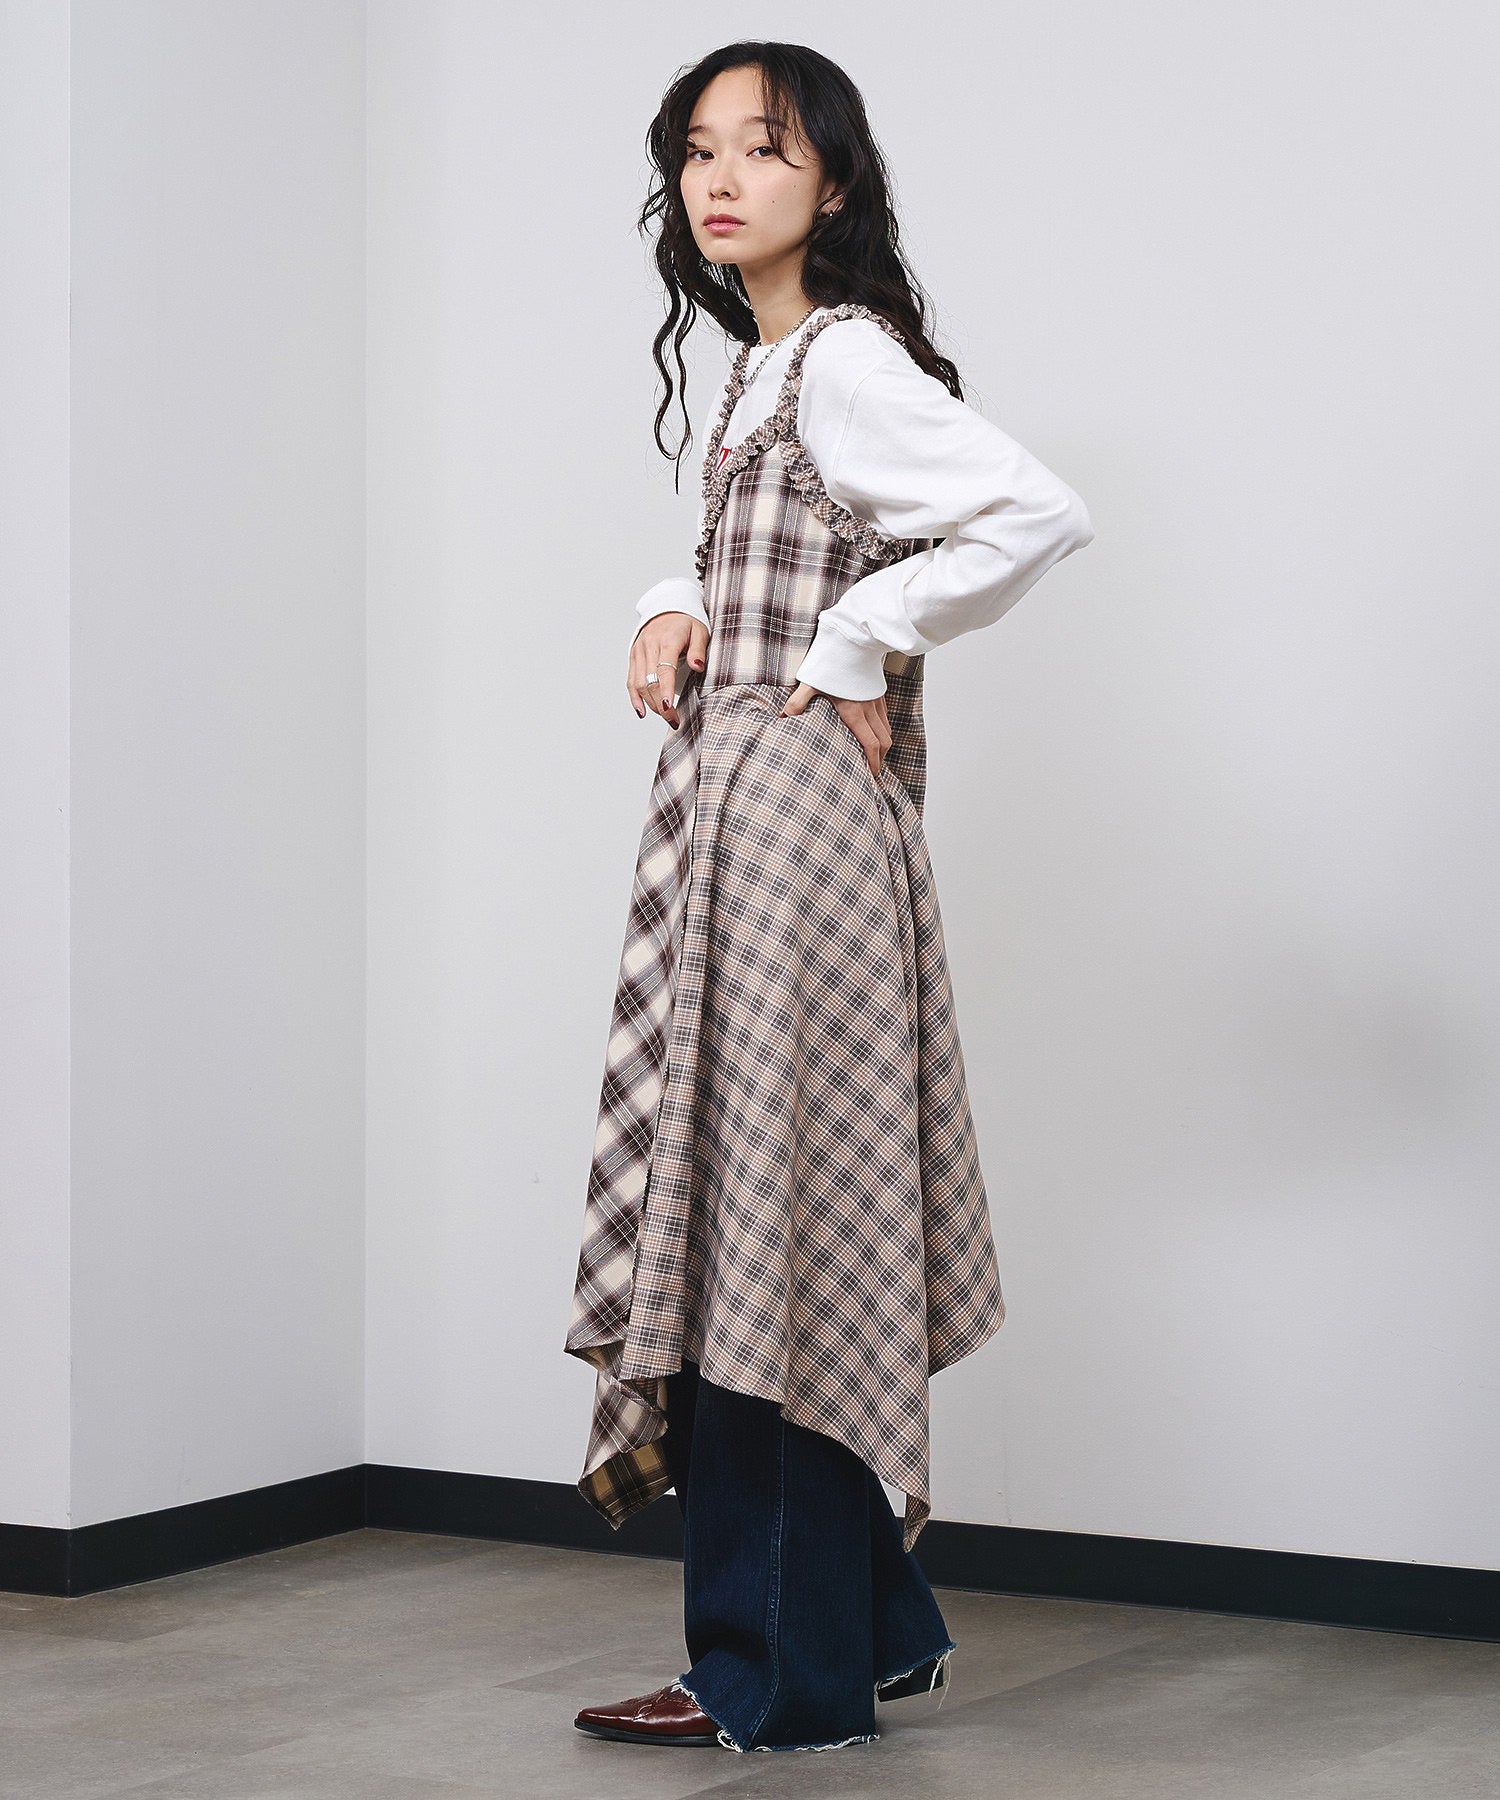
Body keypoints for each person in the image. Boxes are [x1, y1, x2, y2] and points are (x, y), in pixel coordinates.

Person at [564, 40, 1094, 1753]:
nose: (721, 180)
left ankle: (772, 1676)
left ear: (836, 182)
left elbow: (1033, 512)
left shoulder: (845, 360)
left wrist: (864, 633)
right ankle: (877, 1629)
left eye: (765, 149)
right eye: (698, 151)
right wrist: (671, 597)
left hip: (794, 833)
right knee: (768, 1220)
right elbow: (755, 545)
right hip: (744, 821)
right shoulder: (768, 366)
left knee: (762, 1231)